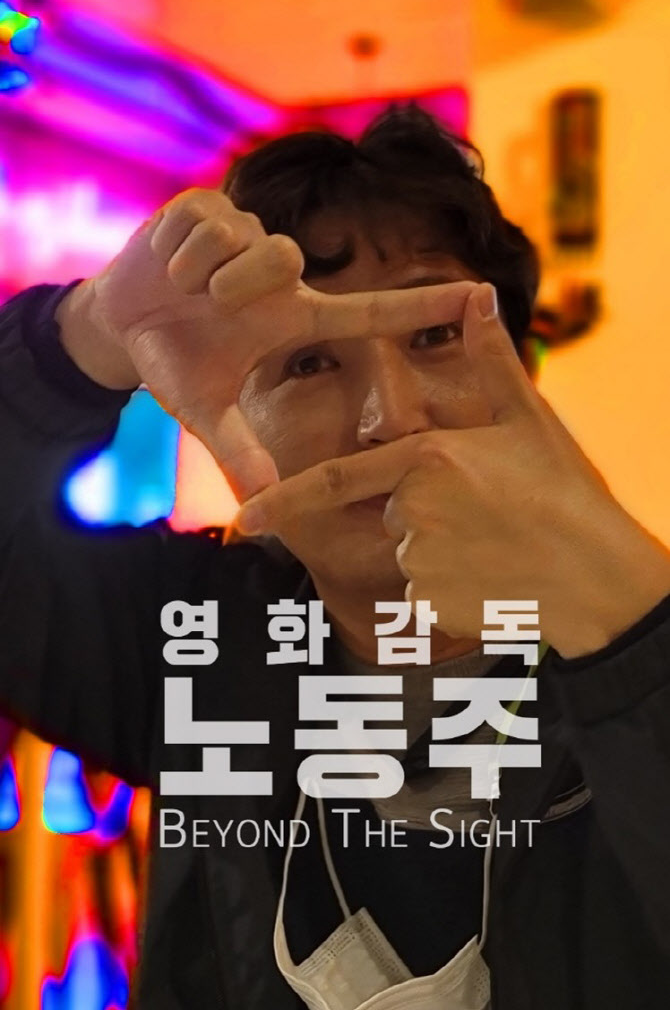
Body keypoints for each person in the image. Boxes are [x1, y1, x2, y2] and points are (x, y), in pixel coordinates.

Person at [1, 106, 669, 1009]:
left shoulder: (626, 645)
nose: (389, 418)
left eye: (433, 335)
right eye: (309, 362)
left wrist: (636, 631)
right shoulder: (191, 648)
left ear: (526, 369)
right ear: (232, 413)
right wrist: (80, 339)